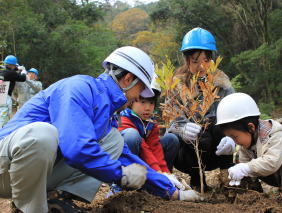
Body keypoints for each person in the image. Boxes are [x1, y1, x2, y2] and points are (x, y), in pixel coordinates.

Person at [0, 46, 200, 213]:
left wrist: (169, 189)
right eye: (141, 90)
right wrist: (121, 174)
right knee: (43, 135)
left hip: (31, 176)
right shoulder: (77, 88)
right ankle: (29, 208)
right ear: (128, 79)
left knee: (114, 141)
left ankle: (54, 200)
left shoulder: (108, 115)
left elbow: (123, 157)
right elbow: (77, 149)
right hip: (6, 168)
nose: (137, 98)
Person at [166, 27, 236, 191]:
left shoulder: (223, 84)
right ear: (187, 60)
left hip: (217, 151)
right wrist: (182, 129)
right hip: (188, 155)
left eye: (205, 60)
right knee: (200, 133)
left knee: (215, 123)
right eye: (195, 61)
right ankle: (198, 181)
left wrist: (232, 137)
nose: (201, 66)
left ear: (212, 59)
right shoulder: (177, 85)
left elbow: (234, 115)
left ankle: (227, 178)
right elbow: (170, 121)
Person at [216, 93, 282, 203]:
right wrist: (241, 170)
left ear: (251, 127)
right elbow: (245, 162)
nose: (234, 141)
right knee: (240, 161)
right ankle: (254, 190)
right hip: (270, 172)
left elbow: (272, 162)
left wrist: (246, 167)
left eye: (235, 136)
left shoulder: (275, 135)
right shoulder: (247, 141)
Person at [117, 75, 182, 193]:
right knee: (132, 136)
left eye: (151, 103)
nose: (147, 108)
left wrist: (165, 173)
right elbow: (144, 149)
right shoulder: (124, 118)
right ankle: (121, 186)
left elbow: (155, 149)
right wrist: (158, 172)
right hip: (127, 160)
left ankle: (161, 185)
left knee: (171, 139)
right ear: (132, 101)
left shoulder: (151, 124)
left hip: (146, 162)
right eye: (142, 102)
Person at [0, 55, 27, 127]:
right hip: (5, 96)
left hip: (1, 94)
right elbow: (23, 78)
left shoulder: (2, 71)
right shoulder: (11, 73)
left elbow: (11, 72)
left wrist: (17, 68)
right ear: (12, 65)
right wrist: (23, 71)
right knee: (4, 116)